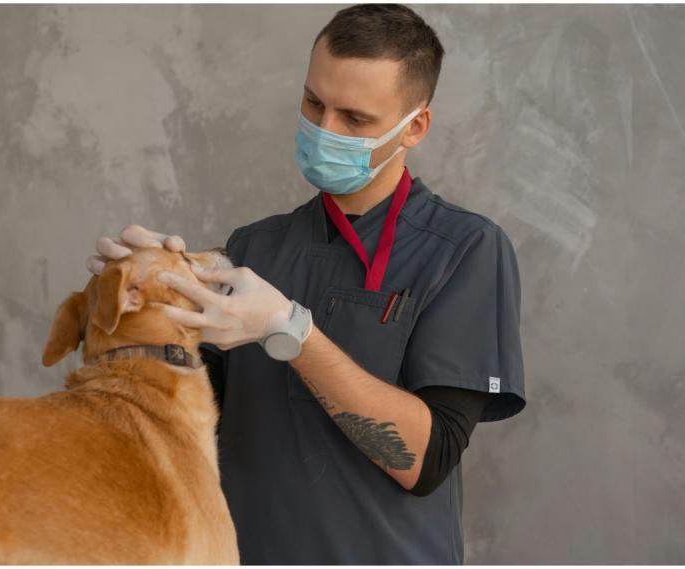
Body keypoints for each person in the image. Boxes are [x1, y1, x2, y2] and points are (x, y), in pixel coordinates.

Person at [86, 4, 526, 564]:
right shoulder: (253, 249)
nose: (325, 131)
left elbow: (425, 460)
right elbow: (177, 427)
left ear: (414, 126)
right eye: (314, 103)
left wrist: (289, 330)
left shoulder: (464, 251)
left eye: (355, 119)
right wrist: (141, 298)